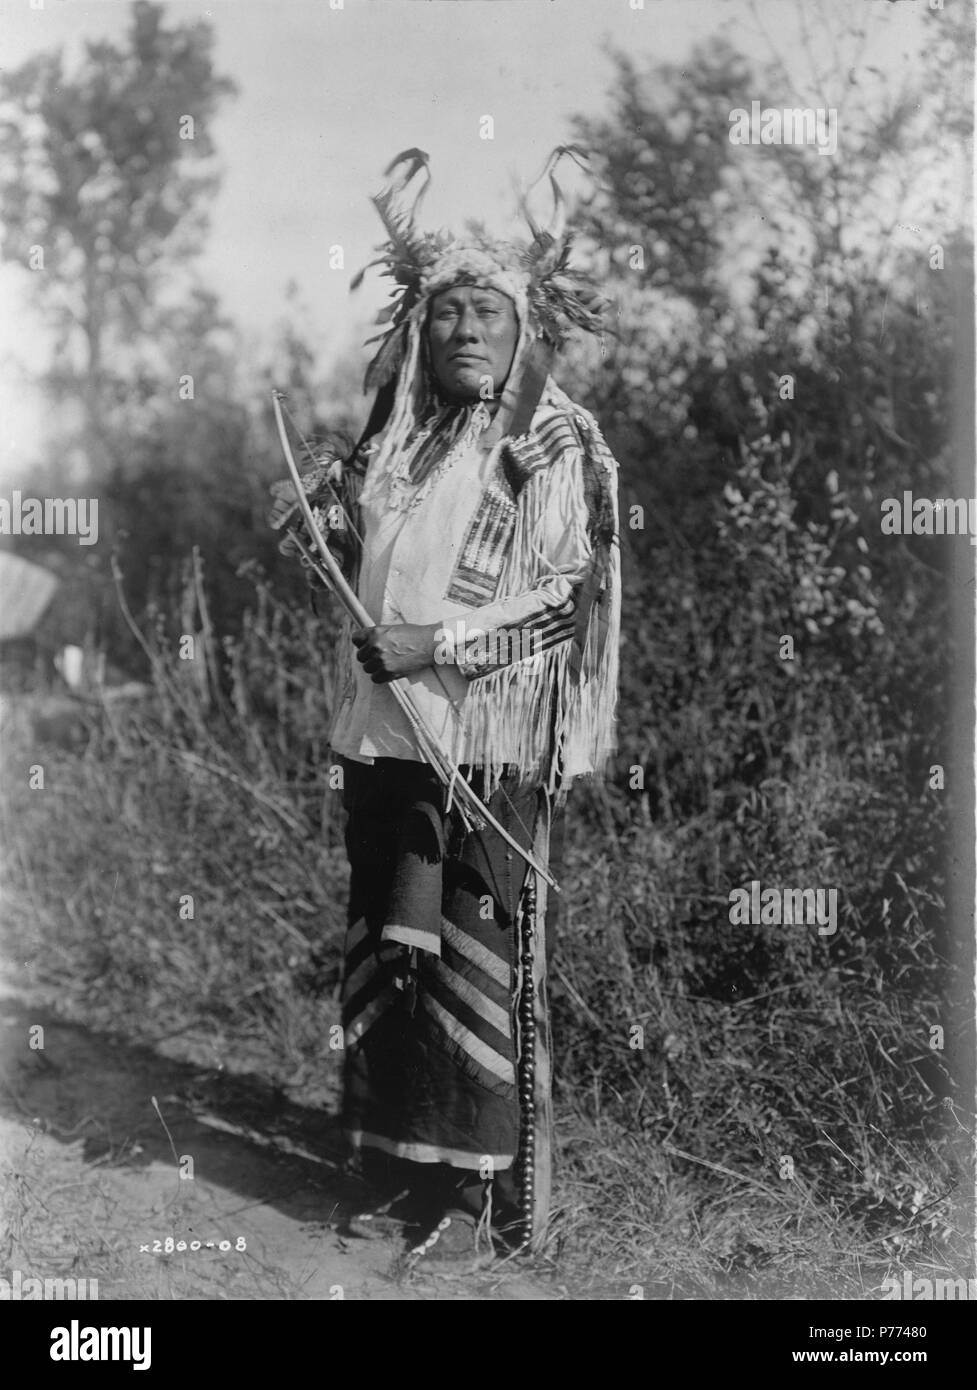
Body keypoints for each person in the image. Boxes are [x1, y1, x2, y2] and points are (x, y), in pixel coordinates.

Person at [271, 150, 621, 1266]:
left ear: (523, 332)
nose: (466, 330)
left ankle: (472, 1201)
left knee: (470, 958)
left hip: (485, 748)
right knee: (387, 952)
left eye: (487, 313)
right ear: (421, 329)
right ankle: (391, 1166)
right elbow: (353, 554)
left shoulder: (549, 440)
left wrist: (436, 642)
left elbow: (566, 605)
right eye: (449, 313)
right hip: (382, 740)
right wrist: (316, 527)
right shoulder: (394, 440)